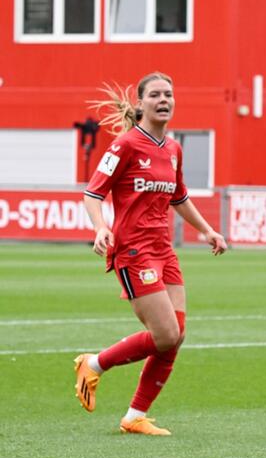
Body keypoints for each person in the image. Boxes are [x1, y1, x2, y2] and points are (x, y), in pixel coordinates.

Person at [74, 72, 228, 435]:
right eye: (156, 95)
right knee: (165, 334)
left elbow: (179, 197)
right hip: (133, 250)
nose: (164, 100)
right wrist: (100, 227)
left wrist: (206, 229)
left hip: (163, 250)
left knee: (178, 334)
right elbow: (92, 193)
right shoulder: (124, 145)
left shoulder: (173, 149)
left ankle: (134, 416)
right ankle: (94, 363)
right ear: (140, 103)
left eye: (169, 95)